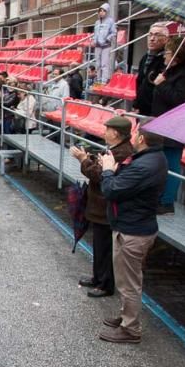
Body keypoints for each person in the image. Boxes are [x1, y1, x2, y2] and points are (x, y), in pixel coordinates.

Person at [98, 130, 168, 344]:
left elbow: (111, 190)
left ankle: (131, 328)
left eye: (137, 133)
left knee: (129, 282)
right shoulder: (153, 159)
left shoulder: (145, 165)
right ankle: (126, 316)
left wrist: (108, 171)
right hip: (133, 225)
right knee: (126, 279)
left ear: (141, 139)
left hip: (133, 231)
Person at [70, 116, 135, 299]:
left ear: (115, 133)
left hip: (107, 208)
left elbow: (100, 175)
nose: (104, 132)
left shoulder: (122, 153)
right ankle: (97, 277)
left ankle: (106, 284)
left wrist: (83, 159)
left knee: (106, 248)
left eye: (107, 130)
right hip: (99, 207)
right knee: (99, 245)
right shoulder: (115, 149)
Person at [152, 36, 185, 215]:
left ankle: (166, 201)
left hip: (175, 129)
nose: (164, 55)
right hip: (162, 126)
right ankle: (158, 196)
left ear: (177, 55)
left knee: (171, 166)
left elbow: (180, 101)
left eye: (167, 52)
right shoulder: (170, 71)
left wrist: (162, 85)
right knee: (161, 163)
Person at [133, 23, 169, 115]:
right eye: (150, 35)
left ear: (166, 39)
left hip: (157, 112)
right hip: (142, 109)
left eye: (157, 35)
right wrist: (137, 104)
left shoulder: (168, 61)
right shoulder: (144, 58)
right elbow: (140, 82)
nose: (152, 39)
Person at [92, 3, 117, 84]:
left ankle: (103, 81)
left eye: (104, 11)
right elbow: (95, 33)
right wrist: (94, 40)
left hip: (106, 45)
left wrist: (107, 39)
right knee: (98, 64)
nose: (101, 12)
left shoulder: (110, 21)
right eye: (100, 11)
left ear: (107, 12)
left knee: (104, 64)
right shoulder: (97, 22)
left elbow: (114, 32)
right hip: (97, 45)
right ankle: (98, 80)